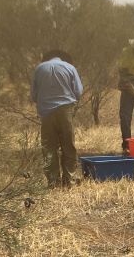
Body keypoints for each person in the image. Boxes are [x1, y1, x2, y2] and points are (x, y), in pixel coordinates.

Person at [31, 50, 83, 188]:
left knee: (48, 147)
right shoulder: (70, 68)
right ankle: (70, 180)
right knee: (68, 145)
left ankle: (53, 182)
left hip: (46, 112)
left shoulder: (39, 68)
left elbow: (34, 95)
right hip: (65, 110)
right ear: (65, 59)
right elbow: (78, 91)